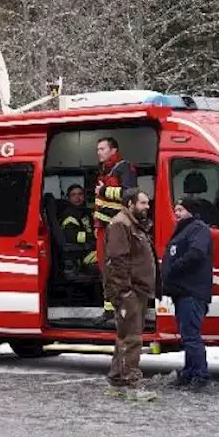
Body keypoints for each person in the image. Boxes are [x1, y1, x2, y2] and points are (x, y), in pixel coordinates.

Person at [104, 188, 156, 387]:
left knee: (127, 335)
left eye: (147, 203)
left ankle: (119, 374)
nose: (147, 207)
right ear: (130, 204)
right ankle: (128, 377)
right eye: (143, 203)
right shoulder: (121, 224)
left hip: (137, 290)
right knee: (132, 337)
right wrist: (125, 291)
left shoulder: (133, 224)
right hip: (129, 291)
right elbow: (118, 261)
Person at [164, 199, 214, 389]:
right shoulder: (185, 229)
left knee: (191, 336)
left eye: (181, 209)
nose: (176, 213)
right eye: (175, 209)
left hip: (192, 292)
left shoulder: (198, 229)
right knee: (187, 336)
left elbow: (196, 253)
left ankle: (201, 375)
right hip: (182, 292)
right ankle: (189, 372)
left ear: (191, 211)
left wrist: (174, 268)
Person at [94, 138, 138, 316]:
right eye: (98, 149)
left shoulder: (124, 167)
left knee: (117, 269)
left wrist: (104, 191)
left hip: (117, 230)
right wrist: (97, 225)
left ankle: (120, 310)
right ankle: (109, 311)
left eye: (102, 148)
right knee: (105, 269)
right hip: (104, 229)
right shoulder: (105, 170)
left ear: (113, 150)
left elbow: (130, 194)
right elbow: (100, 204)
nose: (99, 152)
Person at [59, 184, 97, 268]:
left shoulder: (86, 211)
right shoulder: (69, 215)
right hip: (83, 253)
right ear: (68, 198)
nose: (77, 197)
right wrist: (93, 237)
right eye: (73, 195)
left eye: (80, 194)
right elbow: (72, 237)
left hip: (94, 247)